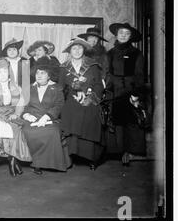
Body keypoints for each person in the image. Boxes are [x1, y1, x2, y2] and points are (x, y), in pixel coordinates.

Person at [58, 38, 104, 170]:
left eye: (80, 48)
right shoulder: (63, 67)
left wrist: (90, 98)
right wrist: (71, 93)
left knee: (90, 115)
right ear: (69, 51)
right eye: (74, 48)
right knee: (69, 112)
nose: (77, 51)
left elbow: (99, 86)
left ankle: (91, 158)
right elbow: (60, 87)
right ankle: (71, 156)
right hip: (71, 99)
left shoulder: (93, 65)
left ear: (84, 50)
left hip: (89, 99)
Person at [0, 60, 32, 176]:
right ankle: (11, 160)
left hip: (11, 114)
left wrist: (16, 114)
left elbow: (21, 103)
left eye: (5, 72)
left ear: (9, 74)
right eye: (0, 73)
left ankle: (12, 159)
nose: (2, 75)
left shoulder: (16, 87)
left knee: (15, 128)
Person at [107, 23, 145, 166]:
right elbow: (108, 73)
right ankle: (120, 151)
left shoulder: (137, 53)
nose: (123, 35)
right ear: (116, 35)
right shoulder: (110, 53)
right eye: (121, 32)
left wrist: (135, 94)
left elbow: (139, 75)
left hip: (130, 90)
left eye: (127, 33)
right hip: (114, 91)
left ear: (130, 37)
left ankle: (128, 152)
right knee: (117, 122)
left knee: (131, 122)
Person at [22, 65, 71, 174]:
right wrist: (26, 115)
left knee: (52, 132)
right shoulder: (29, 88)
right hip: (32, 118)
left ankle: (46, 163)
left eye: (43, 73)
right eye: (37, 73)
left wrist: (47, 116)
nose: (39, 76)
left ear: (49, 76)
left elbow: (59, 105)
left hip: (50, 119)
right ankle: (35, 162)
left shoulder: (57, 88)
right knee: (28, 131)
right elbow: (24, 106)